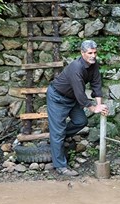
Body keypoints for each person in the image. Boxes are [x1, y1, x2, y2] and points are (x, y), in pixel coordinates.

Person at [46, 40, 108, 176]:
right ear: (82, 53)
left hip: (72, 98)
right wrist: (92, 108)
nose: (93, 56)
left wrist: (99, 104)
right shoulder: (76, 67)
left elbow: (96, 83)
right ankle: (60, 166)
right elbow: (80, 92)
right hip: (58, 97)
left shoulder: (94, 64)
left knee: (81, 121)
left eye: (95, 53)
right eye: (90, 53)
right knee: (58, 132)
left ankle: (58, 139)